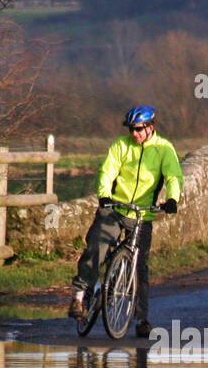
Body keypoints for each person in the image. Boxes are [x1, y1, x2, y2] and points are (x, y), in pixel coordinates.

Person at [69, 105, 182, 338]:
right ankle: (79, 297)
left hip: (142, 215)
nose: (134, 134)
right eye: (131, 129)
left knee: (140, 267)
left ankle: (141, 318)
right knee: (96, 248)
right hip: (115, 208)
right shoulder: (121, 146)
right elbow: (107, 171)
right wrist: (104, 194)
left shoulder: (164, 149)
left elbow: (174, 177)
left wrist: (172, 199)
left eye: (139, 129)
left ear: (150, 128)